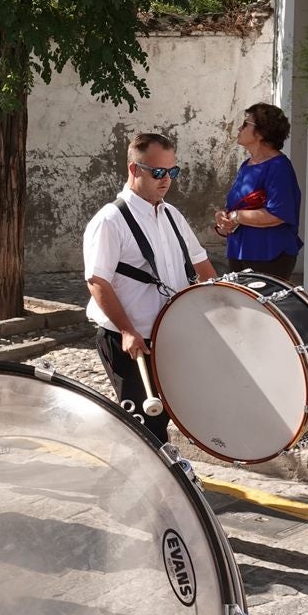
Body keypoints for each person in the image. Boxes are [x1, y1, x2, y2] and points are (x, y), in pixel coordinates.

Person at [84, 132, 217, 442]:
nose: (166, 179)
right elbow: (97, 281)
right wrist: (127, 330)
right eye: (158, 172)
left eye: (173, 171)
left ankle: (157, 483)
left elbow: (202, 265)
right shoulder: (110, 220)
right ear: (134, 170)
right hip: (129, 341)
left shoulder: (172, 215)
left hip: (169, 335)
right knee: (144, 426)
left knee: (166, 418)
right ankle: (148, 485)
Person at [212, 103, 302, 279]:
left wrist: (236, 217)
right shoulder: (247, 165)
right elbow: (236, 205)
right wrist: (222, 216)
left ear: (261, 133)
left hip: (269, 255)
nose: (239, 128)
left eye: (246, 124)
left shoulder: (279, 167)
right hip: (240, 251)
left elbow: (276, 215)